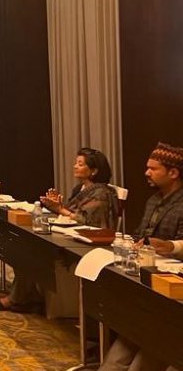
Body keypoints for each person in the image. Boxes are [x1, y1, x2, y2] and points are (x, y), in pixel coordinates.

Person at [0, 147, 116, 313]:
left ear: (94, 171)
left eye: (80, 164)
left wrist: (60, 209)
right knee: (22, 245)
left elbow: (88, 222)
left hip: (86, 245)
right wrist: (56, 207)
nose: (75, 166)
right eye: (76, 163)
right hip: (69, 236)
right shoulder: (80, 189)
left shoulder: (101, 193)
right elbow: (71, 215)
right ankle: (29, 296)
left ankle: (17, 298)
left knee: (29, 251)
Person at [98, 142, 183, 371]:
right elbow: (140, 235)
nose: (146, 172)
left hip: (170, 287)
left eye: (153, 168)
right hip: (144, 279)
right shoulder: (153, 200)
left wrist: (169, 246)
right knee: (131, 334)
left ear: (173, 173)